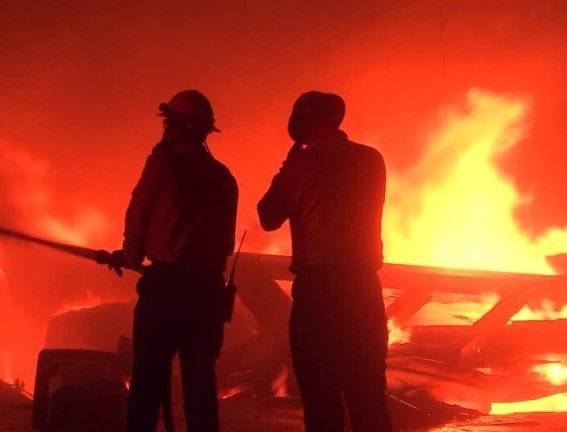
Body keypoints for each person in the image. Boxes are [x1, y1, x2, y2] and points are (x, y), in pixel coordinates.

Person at [257, 91, 392, 432]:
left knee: (321, 396)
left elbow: (268, 215)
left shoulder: (302, 165)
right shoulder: (372, 160)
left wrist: (286, 171)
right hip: (363, 287)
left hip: (319, 292)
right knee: (368, 394)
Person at [104, 90, 238, 432]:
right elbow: (223, 245)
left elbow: (139, 213)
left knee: (147, 382)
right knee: (200, 387)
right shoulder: (224, 178)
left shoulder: (163, 163)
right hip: (208, 292)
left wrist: (130, 255)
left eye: (168, 123)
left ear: (177, 127)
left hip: (165, 291)